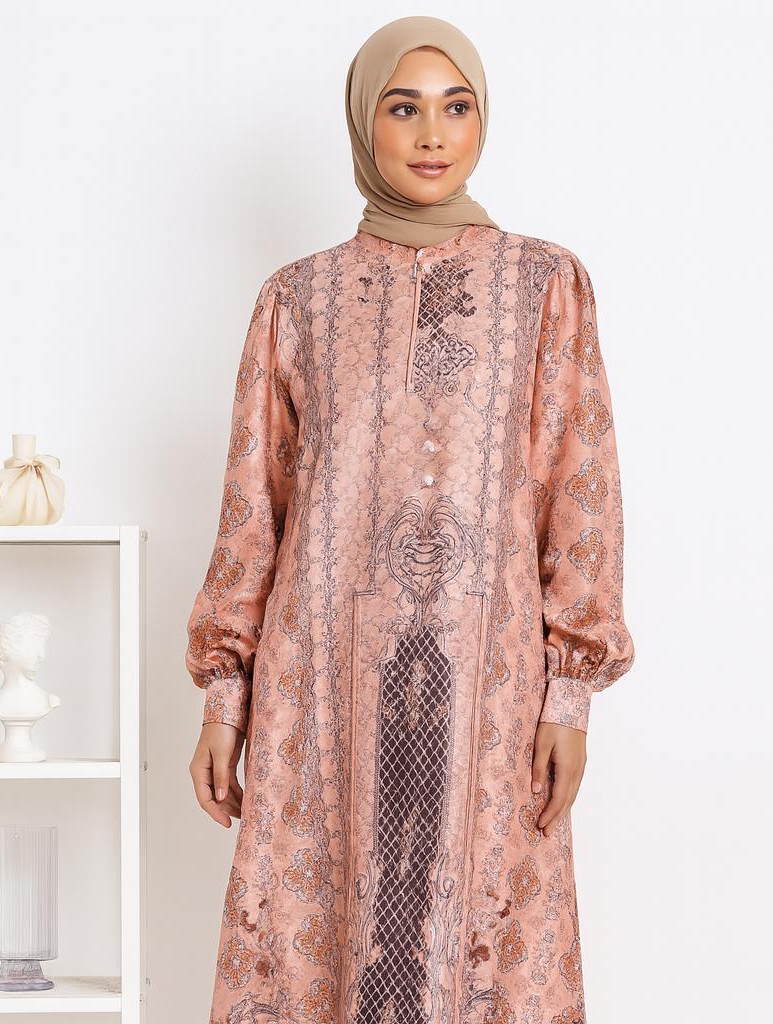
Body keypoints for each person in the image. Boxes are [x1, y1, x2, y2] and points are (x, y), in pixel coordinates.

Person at [185, 15, 636, 1023]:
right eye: (403, 108)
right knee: (321, 941)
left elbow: (581, 492)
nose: (433, 134)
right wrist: (224, 697)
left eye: (456, 107)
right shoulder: (296, 300)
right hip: (319, 683)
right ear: (364, 125)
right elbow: (254, 508)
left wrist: (569, 698)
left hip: (492, 684)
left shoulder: (545, 284)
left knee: (481, 940)